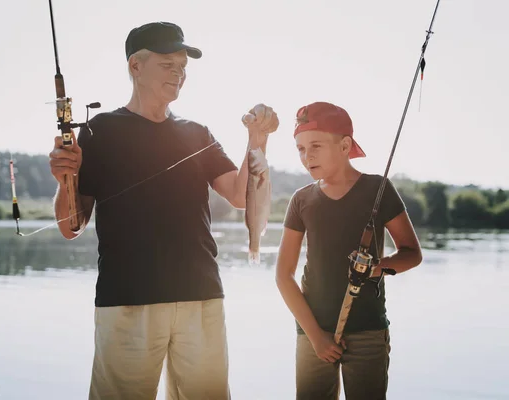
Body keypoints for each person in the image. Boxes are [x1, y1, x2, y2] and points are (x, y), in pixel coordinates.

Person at [48, 21, 279, 400]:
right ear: (135, 66)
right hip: (126, 301)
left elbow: (240, 195)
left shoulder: (198, 132)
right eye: (168, 65)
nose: (179, 74)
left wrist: (258, 140)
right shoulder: (98, 131)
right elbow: (71, 226)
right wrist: (64, 180)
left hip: (200, 295)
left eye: (183, 67)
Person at [275, 101, 423, 400]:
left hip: (368, 331)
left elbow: (411, 253)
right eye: (301, 149)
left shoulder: (378, 189)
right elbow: (283, 276)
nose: (307, 156)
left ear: (344, 146)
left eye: (315, 145)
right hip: (312, 333)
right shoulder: (301, 200)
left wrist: (376, 267)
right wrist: (316, 338)